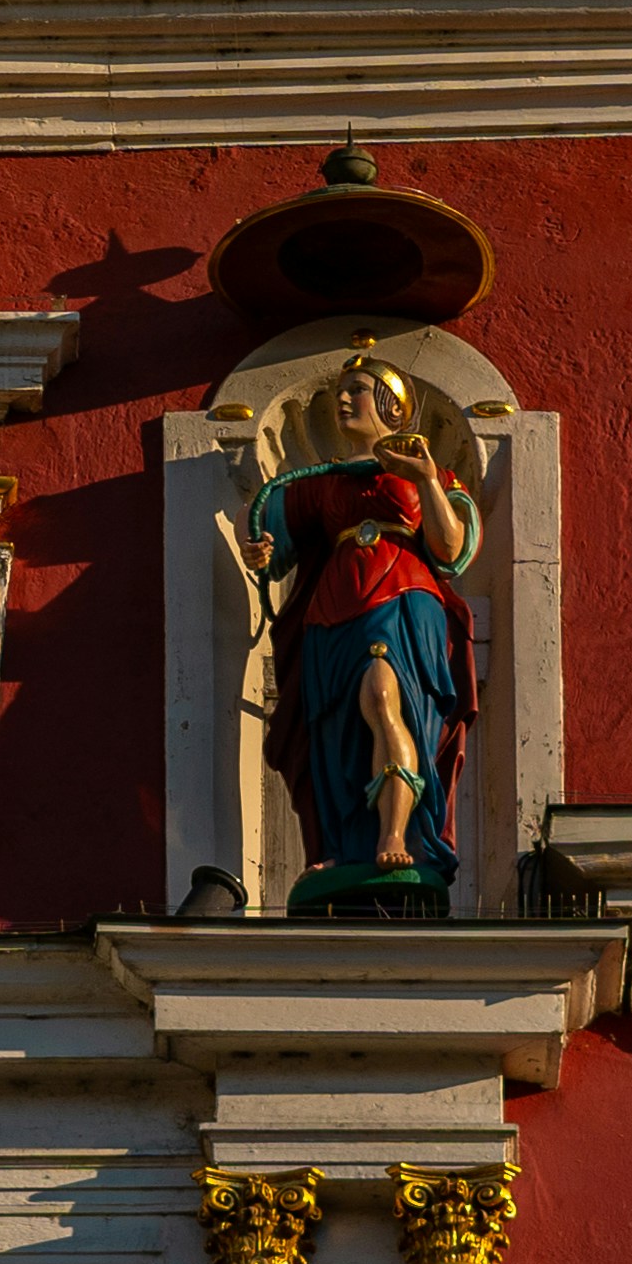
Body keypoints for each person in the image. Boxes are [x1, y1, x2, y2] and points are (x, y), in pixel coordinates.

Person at [247, 347, 479, 904]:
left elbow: (450, 550)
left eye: (358, 390)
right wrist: (259, 552)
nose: (343, 398)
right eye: (343, 390)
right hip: (331, 611)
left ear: (391, 407)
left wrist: (424, 476)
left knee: (385, 700)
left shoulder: (432, 471)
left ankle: (398, 834)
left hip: (402, 600)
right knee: (334, 732)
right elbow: (268, 538)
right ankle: (340, 845)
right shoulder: (321, 483)